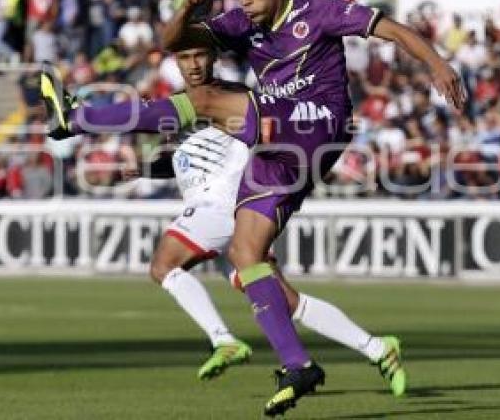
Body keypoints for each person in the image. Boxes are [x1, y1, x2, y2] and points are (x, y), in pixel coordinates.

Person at [40, 0, 464, 415]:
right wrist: (187, 9)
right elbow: (173, 41)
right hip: (273, 152)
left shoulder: (317, 10)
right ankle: (298, 365)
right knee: (246, 259)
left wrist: (438, 65)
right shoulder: (240, 24)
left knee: (200, 100)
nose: (245, 0)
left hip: (318, 123)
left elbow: (394, 30)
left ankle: (78, 118)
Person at [118, 43, 409, 388]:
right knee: (287, 303)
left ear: (213, 58)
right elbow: (186, 157)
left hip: (223, 205)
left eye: (200, 56)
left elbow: (262, 131)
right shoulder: (184, 105)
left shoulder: (231, 96)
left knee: (164, 265)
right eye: (185, 58)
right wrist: (143, 169)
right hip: (232, 215)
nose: (193, 65)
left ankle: (223, 339)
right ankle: (377, 348)